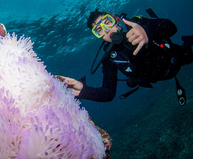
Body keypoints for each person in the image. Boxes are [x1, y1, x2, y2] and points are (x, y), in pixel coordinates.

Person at [58, 9, 192, 103]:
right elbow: (108, 93)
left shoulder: (136, 24)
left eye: (107, 22)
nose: (107, 30)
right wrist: (83, 90)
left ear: (115, 20)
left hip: (177, 57)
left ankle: (188, 41)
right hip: (161, 77)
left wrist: (147, 31)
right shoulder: (110, 57)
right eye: (99, 30)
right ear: (99, 36)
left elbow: (171, 27)